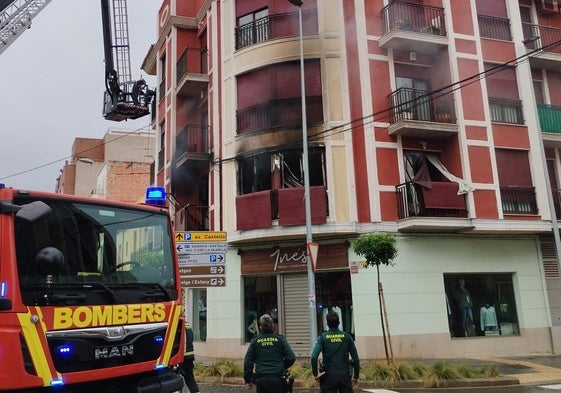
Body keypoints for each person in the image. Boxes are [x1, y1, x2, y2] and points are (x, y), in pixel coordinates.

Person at [243, 314, 296, 393]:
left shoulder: (255, 341)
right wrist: (281, 365)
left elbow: (248, 361)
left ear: (260, 327)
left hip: (261, 379)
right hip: (278, 378)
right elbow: (291, 358)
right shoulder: (280, 339)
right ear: (273, 326)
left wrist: (248, 379)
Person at [311, 311, 360, 393]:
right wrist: (356, 377)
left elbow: (313, 357)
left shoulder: (322, 337)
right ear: (339, 323)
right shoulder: (347, 337)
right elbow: (356, 359)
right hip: (344, 375)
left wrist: (316, 374)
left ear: (327, 324)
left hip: (328, 376)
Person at [180, 322, 200, 393]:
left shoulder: (177, 324)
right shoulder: (187, 325)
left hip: (180, 357)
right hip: (189, 356)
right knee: (190, 379)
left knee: (174, 380)